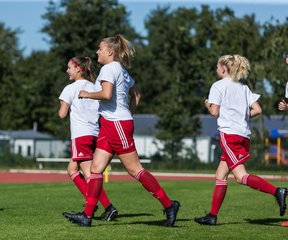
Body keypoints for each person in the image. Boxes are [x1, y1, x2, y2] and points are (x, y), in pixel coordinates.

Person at [63, 34, 180, 227]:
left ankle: (169, 205)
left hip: (116, 125)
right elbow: (137, 94)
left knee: (135, 170)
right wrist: (128, 114)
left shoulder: (109, 69)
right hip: (112, 125)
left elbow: (107, 95)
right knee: (96, 169)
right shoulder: (121, 70)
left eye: (100, 49)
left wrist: (87, 95)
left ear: (110, 51)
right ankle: (87, 215)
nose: (97, 52)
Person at [194, 54, 287, 225]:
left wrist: (207, 103)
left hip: (229, 136)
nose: (216, 70)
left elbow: (214, 112)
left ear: (223, 68)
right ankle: (212, 216)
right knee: (220, 174)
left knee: (241, 177)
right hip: (243, 135)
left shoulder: (218, 86)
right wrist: (239, 117)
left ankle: (277, 191)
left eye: (217, 67)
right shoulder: (243, 88)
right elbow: (257, 110)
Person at [58, 56, 117, 221]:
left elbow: (62, 114)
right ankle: (94, 203)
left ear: (78, 69)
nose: (67, 70)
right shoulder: (95, 86)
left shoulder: (70, 89)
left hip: (81, 135)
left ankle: (104, 207)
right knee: (72, 170)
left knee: (90, 175)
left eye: (69, 67)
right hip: (95, 134)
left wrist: (63, 104)